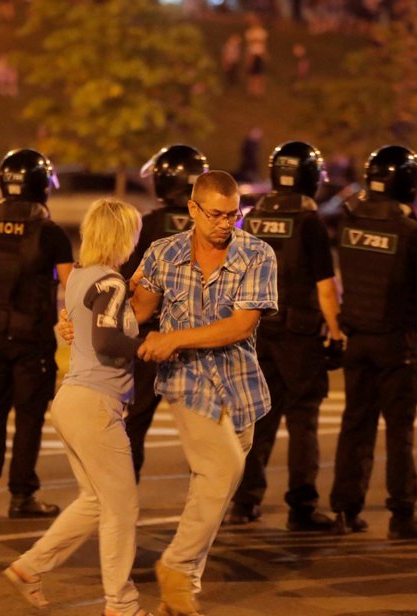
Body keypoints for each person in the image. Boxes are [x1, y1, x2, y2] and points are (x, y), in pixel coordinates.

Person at [133, 170, 277, 616]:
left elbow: (242, 324)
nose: (225, 223)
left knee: (212, 489)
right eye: (215, 214)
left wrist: (174, 337)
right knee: (221, 471)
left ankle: (181, 593)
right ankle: (175, 567)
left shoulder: (258, 253)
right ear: (192, 210)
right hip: (187, 382)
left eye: (234, 214)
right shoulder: (162, 253)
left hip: (241, 386)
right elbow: (137, 310)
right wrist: (84, 316)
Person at [6, 198, 149, 616]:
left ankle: (29, 568)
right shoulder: (110, 282)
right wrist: (149, 347)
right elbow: (107, 341)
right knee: (122, 507)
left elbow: (80, 329)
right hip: (95, 403)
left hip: (72, 398)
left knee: (94, 500)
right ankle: (122, 605)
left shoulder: (80, 276)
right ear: (121, 236)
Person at [329, 145, 417, 539]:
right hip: (396, 342)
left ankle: (345, 509)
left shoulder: (350, 219)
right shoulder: (409, 232)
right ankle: (402, 515)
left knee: (355, 424)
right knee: (399, 431)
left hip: (357, 338)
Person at [226, 141, 342, 531]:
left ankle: (244, 501)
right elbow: (326, 286)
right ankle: (302, 506)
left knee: (258, 419)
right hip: (300, 333)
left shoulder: (254, 216)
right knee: (303, 420)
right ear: (312, 177)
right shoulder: (309, 222)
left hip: (257, 329)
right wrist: (338, 332)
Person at [0, 148, 73, 517]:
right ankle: (22, 495)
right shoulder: (50, 233)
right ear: (42, 186)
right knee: (28, 416)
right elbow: (72, 285)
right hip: (30, 338)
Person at [118, 144, 209, 481]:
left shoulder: (150, 225)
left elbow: (128, 281)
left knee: (135, 420)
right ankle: (209, 503)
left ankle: (123, 492)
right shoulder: (215, 225)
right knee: (203, 430)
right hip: (200, 340)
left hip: (152, 338)